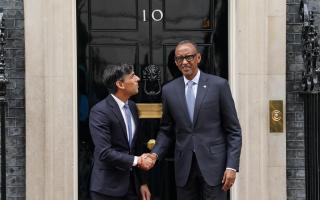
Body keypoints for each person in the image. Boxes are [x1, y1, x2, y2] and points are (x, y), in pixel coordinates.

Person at [147, 40, 242, 200]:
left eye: (189, 57)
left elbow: (234, 131)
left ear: (198, 58)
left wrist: (231, 166)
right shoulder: (169, 90)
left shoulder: (219, 85)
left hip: (215, 168)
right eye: (179, 59)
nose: (184, 62)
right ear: (176, 62)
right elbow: (166, 129)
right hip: (184, 167)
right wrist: (154, 154)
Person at [89, 64, 153, 200]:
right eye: (132, 76)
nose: (138, 78)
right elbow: (104, 152)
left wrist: (143, 182)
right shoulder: (100, 111)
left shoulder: (132, 107)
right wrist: (138, 160)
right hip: (107, 189)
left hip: (132, 187)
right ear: (120, 84)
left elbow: (135, 147)